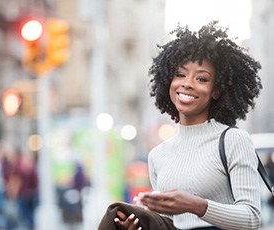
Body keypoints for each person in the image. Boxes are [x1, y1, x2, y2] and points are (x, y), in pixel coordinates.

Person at [98, 21, 263, 230]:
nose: (187, 83)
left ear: (217, 91)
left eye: (202, 78)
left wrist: (196, 205)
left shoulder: (232, 140)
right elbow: (167, 225)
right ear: (168, 80)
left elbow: (252, 219)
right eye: (180, 74)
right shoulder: (158, 155)